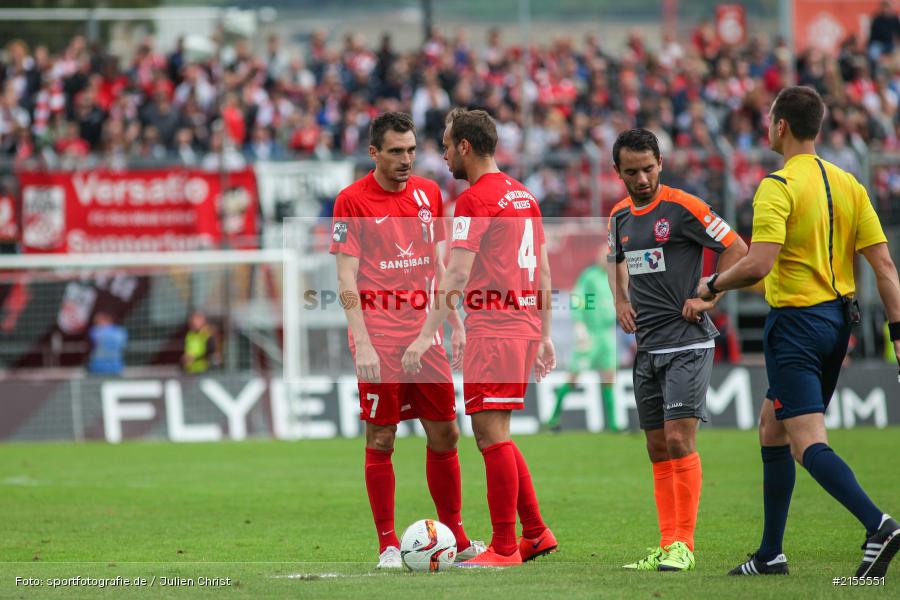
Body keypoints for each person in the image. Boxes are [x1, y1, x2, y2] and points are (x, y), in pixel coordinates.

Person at [697, 85, 900, 578]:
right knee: (773, 426)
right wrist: (898, 335)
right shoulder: (849, 184)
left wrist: (711, 285)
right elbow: (885, 267)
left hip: (796, 326)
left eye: (769, 120)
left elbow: (758, 265)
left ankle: (879, 525)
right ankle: (771, 554)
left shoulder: (778, 185)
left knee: (806, 443)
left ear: (781, 126)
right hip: (839, 322)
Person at [402, 108, 557, 567]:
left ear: (465, 146)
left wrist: (425, 335)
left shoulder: (475, 200)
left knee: (489, 436)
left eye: (447, 146)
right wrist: (544, 335)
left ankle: (505, 547)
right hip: (523, 325)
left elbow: (455, 273)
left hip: (495, 328)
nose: (444, 155)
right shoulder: (523, 195)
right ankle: (535, 532)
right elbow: (544, 271)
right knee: (499, 434)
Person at [330, 111, 483, 569]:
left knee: (446, 432)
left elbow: (438, 266)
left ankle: (456, 537)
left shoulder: (429, 193)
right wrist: (362, 343)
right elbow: (345, 278)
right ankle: (388, 545)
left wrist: (454, 323)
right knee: (381, 437)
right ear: (374, 153)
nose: (406, 159)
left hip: (424, 335)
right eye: (396, 151)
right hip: (379, 338)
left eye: (412, 150)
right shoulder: (350, 201)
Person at [609, 128, 748, 572]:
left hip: (688, 342)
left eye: (648, 169)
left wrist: (711, 294)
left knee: (677, 439)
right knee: (656, 447)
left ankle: (683, 545)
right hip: (647, 347)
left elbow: (737, 248)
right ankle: (667, 543)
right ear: (618, 172)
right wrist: (620, 301)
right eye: (632, 172)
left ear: (661, 164)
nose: (642, 179)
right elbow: (617, 261)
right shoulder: (618, 216)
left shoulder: (685, 207)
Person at [546, 244, 618, 432]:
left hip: (607, 335)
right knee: (573, 376)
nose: (606, 259)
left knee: (609, 377)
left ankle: (614, 425)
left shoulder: (613, 277)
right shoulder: (589, 276)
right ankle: (553, 418)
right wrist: (580, 326)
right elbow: (577, 298)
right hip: (590, 334)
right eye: (603, 255)